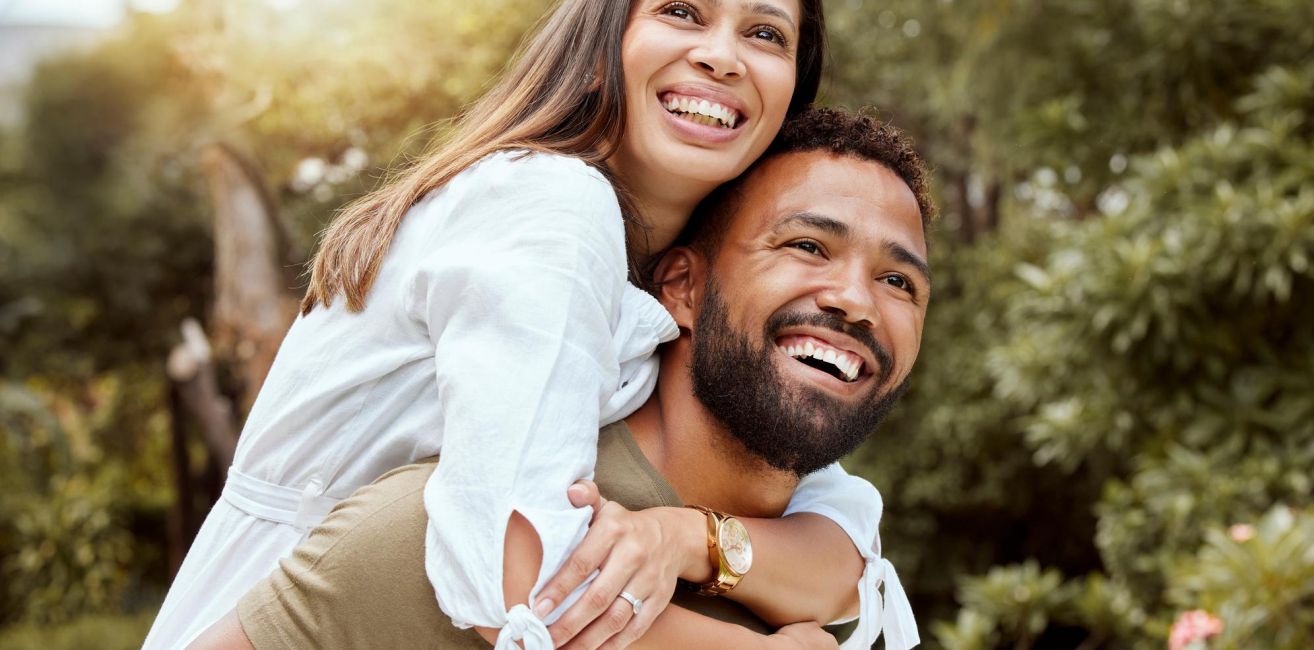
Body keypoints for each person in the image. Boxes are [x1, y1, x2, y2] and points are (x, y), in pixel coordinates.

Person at [143, 1, 896, 649]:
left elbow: (838, 525)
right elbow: (518, 577)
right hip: (280, 617)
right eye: (680, 11)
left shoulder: (673, 263)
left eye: (765, 33)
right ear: (605, 40)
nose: (721, 54)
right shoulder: (553, 208)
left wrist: (687, 539)